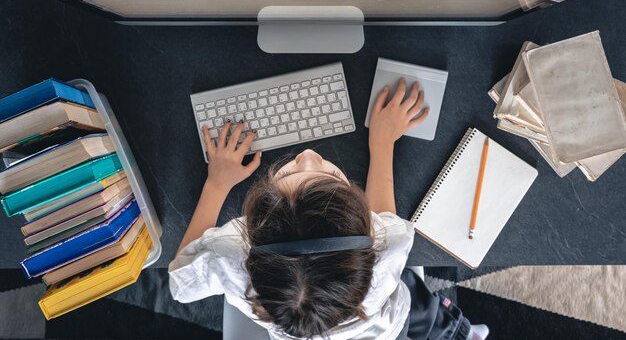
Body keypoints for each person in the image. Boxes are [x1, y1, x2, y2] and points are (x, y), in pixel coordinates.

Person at [169, 78, 489, 340]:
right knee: (434, 321)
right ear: (368, 227)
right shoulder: (389, 247)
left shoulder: (229, 259)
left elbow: (181, 285)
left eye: (291, 172)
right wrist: (383, 142)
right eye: (330, 176)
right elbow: (387, 217)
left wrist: (216, 184)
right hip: (390, 325)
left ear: (248, 235)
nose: (308, 153)